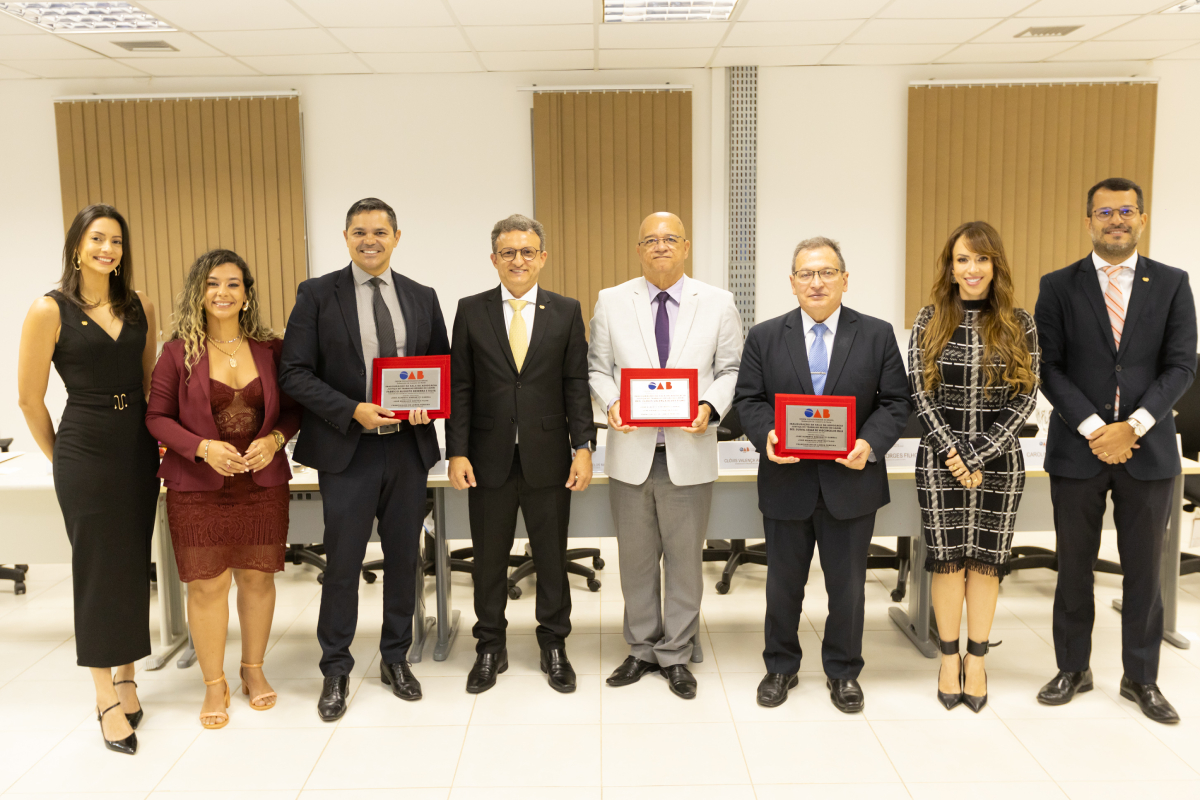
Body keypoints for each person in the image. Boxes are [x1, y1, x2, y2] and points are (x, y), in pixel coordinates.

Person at [279, 197, 449, 721]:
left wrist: (428, 406)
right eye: (359, 232)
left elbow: (440, 367)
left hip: (407, 448)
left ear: (396, 237)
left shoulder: (421, 296)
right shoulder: (316, 294)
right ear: (346, 237)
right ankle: (336, 667)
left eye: (379, 231)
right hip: (347, 450)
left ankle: (396, 657)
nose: (370, 240)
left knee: (403, 559)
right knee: (343, 564)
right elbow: (294, 372)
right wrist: (351, 410)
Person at [1033, 177, 1196, 724]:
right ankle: (1072, 668)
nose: (1116, 220)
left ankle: (1141, 678)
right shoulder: (1058, 286)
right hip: (1078, 450)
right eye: (1105, 212)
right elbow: (1048, 367)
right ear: (1089, 222)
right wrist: (1094, 428)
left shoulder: (1172, 283)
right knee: (1073, 567)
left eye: (1126, 211)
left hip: (1148, 452)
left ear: (1142, 219)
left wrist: (1135, 426)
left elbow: (1181, 365)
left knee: (1145, 571)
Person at [733, 237, 908, 713]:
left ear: (844, 280)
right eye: (806, 274)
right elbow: (748, 399)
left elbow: (896, 402)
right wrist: (768, 435)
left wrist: (869, 444)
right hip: (786, 481)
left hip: (850, 482)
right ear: (791, 282)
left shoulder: (876, 334)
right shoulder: (765, 336)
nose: (816, 282)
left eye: (827, 272)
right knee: (782, 585)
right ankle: (780, 666)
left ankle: (844, 671)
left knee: (847, 588)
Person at [17, 204, 160, 754]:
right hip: (85, 446)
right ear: (77, 246)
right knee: (98, 569)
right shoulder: (48, 309)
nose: (108, 249)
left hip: (135, 446)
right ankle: (104, 696)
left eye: (116, 241)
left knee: (133, 563)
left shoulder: (139, 303)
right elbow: (29, 399)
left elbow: (147, 381)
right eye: (97, 238)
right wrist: (61, 459)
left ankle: (127, 676)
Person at [588, 211, 742, 699]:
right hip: (631, 452)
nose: (660, 246)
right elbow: (597, 369)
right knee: (635, 561)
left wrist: (709, 406)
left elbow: (731, 370)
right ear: (638, 250)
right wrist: (612, 403)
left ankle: (675, 652)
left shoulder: (718, 302)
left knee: (684, 562)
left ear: (686, 247)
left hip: (688, 452)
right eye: (650, 240)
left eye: (670, 238)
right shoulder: (612, 301)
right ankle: (640, 649)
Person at [145, 249, 301, 728]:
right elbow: (156, 418)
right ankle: (214, 683)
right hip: (198, 488)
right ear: (199, 292)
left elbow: (295, 410)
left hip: (261, 485)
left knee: (257, 579)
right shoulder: (176, 353)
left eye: (233, 284)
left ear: (246, 295)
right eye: (213, 283)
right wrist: (201, 448)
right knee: (208, 586)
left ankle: (253, 669)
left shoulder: (272, 349)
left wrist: (275, 440)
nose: (223, 293)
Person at [447, 214, 596, 694]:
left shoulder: (566, 311)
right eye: (508, 252)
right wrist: (456, 451)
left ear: (542, 257)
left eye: (527, 251)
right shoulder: (470, 310)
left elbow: (575, 384)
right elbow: (461, 386)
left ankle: (554, 644)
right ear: (493, 259)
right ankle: (490, 646)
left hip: (548, 456)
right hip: (486, 457)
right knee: (489, 560)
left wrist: (583, 447)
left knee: (551, 557)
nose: (518, 260)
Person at [908, 221, 1039, 713]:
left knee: (986, 562)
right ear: (950, 267)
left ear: (995, 265)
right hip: (939, 462)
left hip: (1000, 463)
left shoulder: (1020, 323)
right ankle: (948, 658)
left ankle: (977, 660)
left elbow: (1026, 398)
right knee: (947, 561)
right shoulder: (929, 319)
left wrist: (978, 454)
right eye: (962, 259)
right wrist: (955, 455)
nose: (972, 268)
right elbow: (920, 394)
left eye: (981, 259)